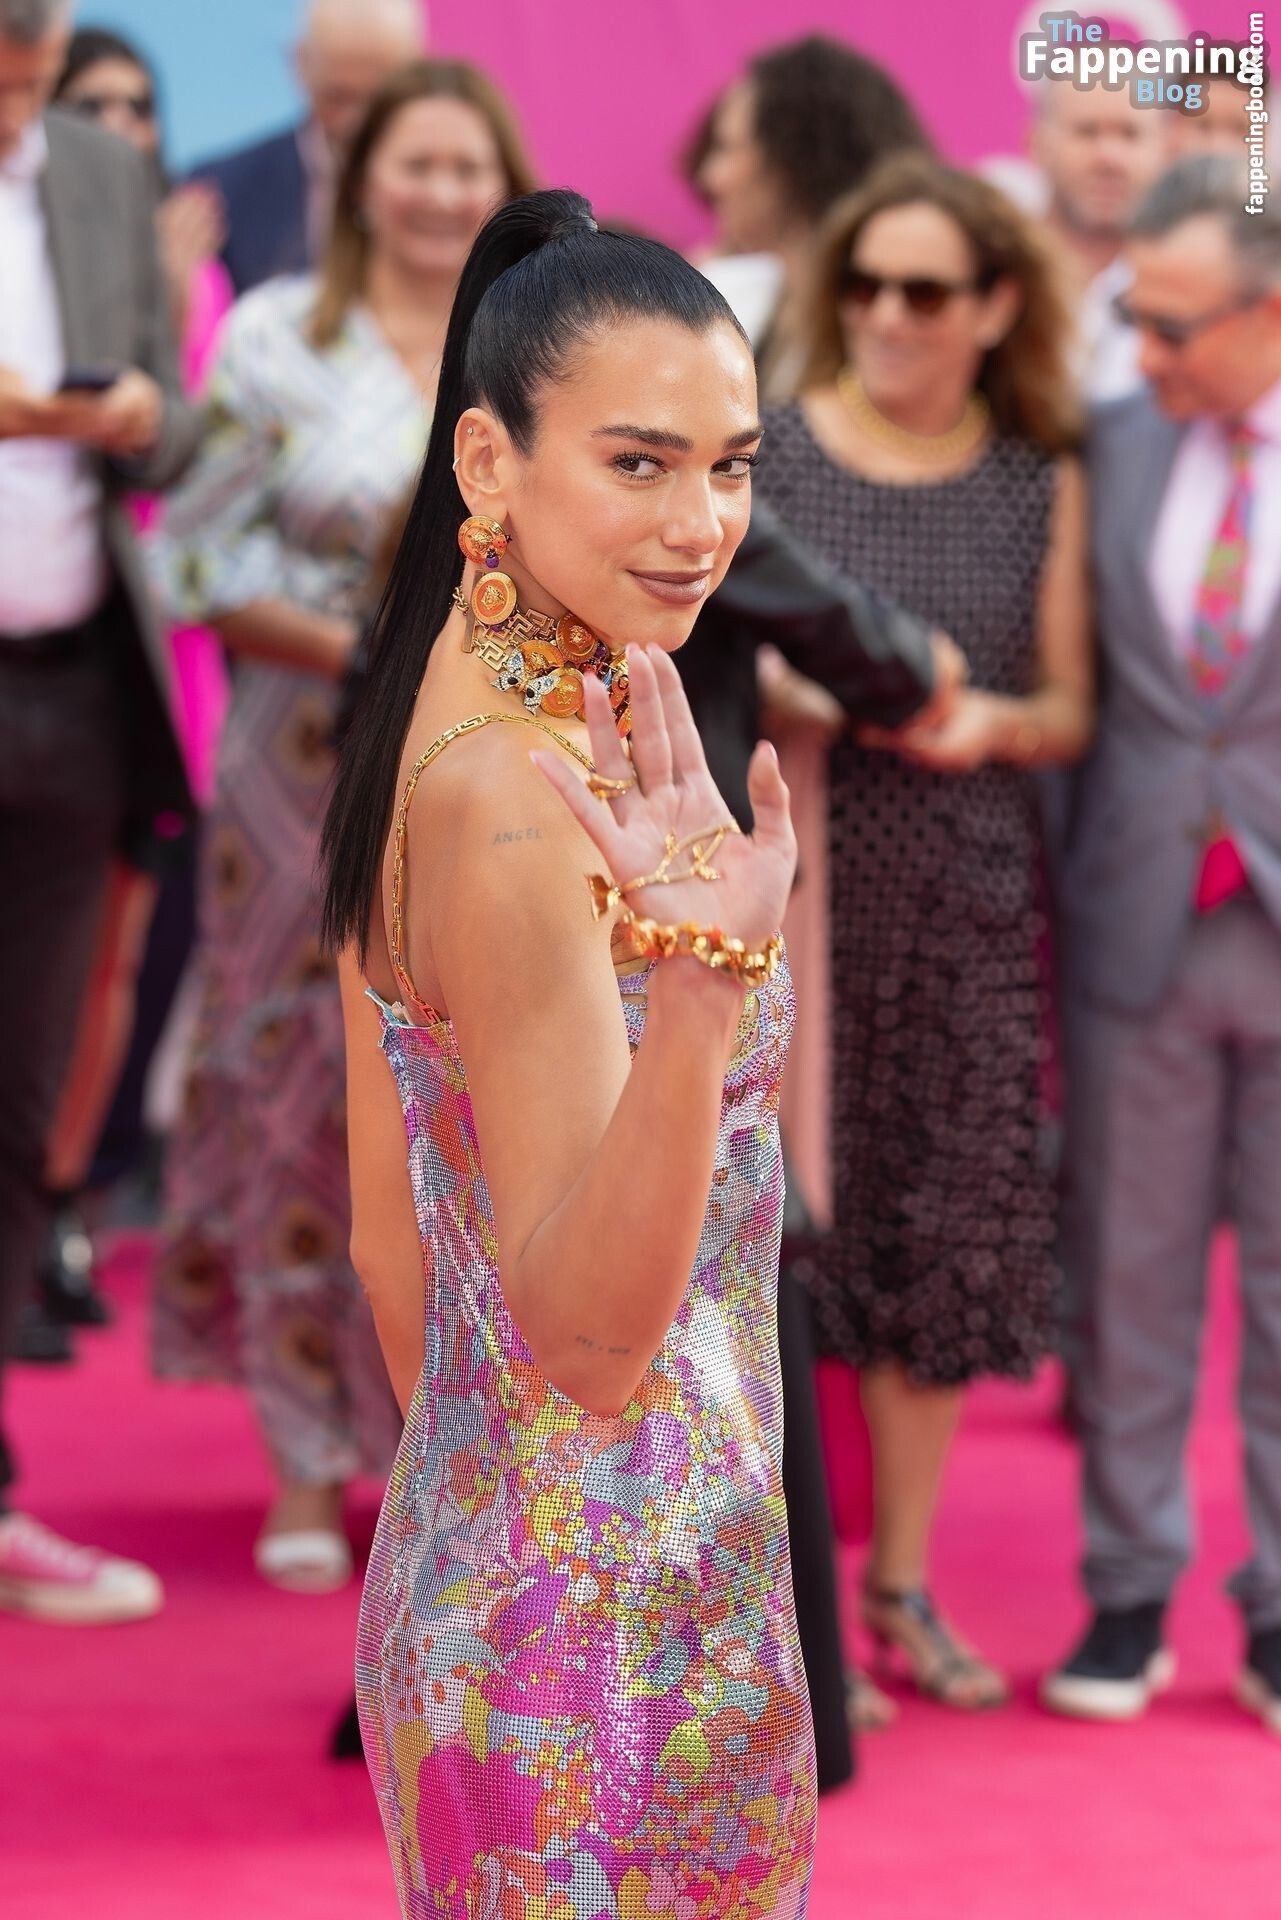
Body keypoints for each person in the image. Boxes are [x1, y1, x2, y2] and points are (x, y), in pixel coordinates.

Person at [322, 187, 814, 1915]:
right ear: (487, 460)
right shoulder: (526, 808)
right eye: (639, 464)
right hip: (614, 1658)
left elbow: (393, 1255)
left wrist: (506, 1513)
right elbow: (598, 1348)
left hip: (511, 1590)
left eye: (731, 465)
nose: (700, 524)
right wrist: (704, 987)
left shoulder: (443, 709)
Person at [148, 60, 535, 1596]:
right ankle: (303, 1457)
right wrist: (371, 653)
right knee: (296, 1088)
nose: (439, 193)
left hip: (489, 770)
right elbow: (195, 562)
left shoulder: (539, 351)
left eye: (465, 167)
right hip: (296, 774)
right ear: (361, 176)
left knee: (471, 1094)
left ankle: (444, 1451)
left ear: (504, 181)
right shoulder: (271, 337)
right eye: (412, 163)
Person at [756, 153, 1092, 1719]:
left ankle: (898, 1581)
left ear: (996, 307)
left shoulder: (1038, 481)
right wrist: (791, 693)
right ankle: (786, 1606)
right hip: (791, 890)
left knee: (941, 1240)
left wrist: (989, 725)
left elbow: (1067, 706)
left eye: (926, 290)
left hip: (962, 897)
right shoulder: (771, 449)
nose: (888, 314)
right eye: (866, 284)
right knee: (781, 1237)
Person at [1043, 158, 1281, 1736]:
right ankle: (1126, 1591)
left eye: (1176, 325)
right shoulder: (1109, 443)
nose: (1146, 353)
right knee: (1127, 1277)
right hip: (1136, 917)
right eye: (1134, 317)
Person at [0, 0, 198, 1618]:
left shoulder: (99, 170)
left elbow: (180, 429)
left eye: (33, 67)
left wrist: (135, 412)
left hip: (73, 688)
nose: (19, 99)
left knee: (22, 1099)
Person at [687, 33, 930, 395]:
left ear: (792, 160)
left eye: (726, 148)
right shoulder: (754, 306)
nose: (709, 177)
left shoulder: (879, 323)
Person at [193, 0, 424, 295]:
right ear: (300, 64)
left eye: (378, 99)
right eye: (338, 97)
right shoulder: (220, 194)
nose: (357, 122)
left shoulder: (457, 196)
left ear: (417, 71)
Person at [1026, 82, 1170, 401]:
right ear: (1037, 145)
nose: (1109, 157)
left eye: (1130, 134)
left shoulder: (1187, 297)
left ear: (1164, 150)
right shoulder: (993, 277)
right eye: (1087, 132)